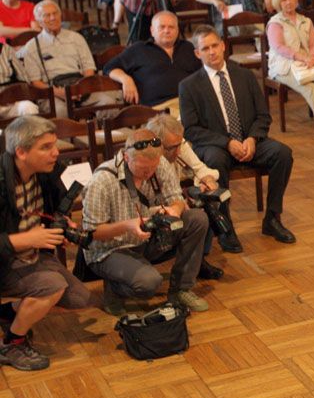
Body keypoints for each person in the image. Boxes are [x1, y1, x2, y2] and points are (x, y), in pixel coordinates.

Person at [179, 26, 296, 243]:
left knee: (282, 153)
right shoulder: (189, 86)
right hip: (215, 145)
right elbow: (192, 129)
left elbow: (263, 115)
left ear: (223, 45)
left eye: (215, 45)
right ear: (197, 53)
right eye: (205, 48)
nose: (212, 52)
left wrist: (252, 138)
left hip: (249, 140)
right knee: (214, 161)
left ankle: (272, 218)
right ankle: (224, 226)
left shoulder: (245, 76)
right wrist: (227, 142)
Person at [82, 129, 209, 315]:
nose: (149, 173)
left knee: (197, 219)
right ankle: (114, 288)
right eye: (143, 169)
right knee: (150, 283)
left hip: (146, 237)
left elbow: (177, 198)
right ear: (126, 157)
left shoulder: (159, 164)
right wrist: (128, 225)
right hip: (110, 249)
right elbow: (92, 234)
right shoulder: (102, 181)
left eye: (153, 167)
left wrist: (174, 210)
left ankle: (180, 290)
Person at [0, 117, 93, 371]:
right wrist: (27, 239)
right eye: (46, 147)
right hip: (6, 262)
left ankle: (9, 312)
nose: (56, 152)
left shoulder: (47, 172)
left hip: (33, 256)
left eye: (54, 144)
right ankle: (12, 344)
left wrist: (63, 225)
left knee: (79, 297)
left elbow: (58, 210)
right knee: (53, 286)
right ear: (21, 151)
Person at [144, 114, 233, 270]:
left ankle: (199, 260)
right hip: (153, 212)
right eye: (173, 148)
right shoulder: (147, 160)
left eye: (180, 144)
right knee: (196, 214)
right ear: (158, 145)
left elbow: (200, 168)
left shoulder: (178, 144)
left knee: (208, 199)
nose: (179, 151)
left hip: (175, 202)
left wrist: (208, 181)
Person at [23, 0, 119, 116]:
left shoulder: (76, 38)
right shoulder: (32, 47)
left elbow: (88, 68)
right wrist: (60, 93)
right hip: (52, 93)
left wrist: (81, 89)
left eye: (55, 13)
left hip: (81, 88)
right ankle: (71, 134)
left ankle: (105, 133)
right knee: (60, 112)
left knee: (108, 103)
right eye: (47, 15)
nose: (53, 18)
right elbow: (35, 82)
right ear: (38, 21)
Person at [104, 11, 201, 115]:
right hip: (158, 110)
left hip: (190, 104)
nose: (167, 31)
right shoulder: (139, 49)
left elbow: (202, 74)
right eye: (162, 27)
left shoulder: (188, 47)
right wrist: (126, 79)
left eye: (171, 27)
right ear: (152, 30)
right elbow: (109, 67)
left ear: (177, 30)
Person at [266, 0, 314, 135]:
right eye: (284, 0)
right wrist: (303, 57)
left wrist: (312, 57)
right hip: (284, 66)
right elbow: (279, 47)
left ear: (296, 0)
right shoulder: (275, 23)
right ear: (278, 4)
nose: (288, 2)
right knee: (311, 89)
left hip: (307, 63)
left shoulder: (306, 21)